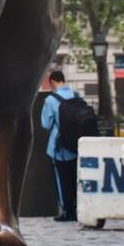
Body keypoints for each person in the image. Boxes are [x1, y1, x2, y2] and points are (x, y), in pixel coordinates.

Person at [40, 68, 79, 221]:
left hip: (59, 145)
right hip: (76, 142)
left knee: (61, 178)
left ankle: (66, 210)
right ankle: (77, 207)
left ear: (53, 82)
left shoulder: (51, 99)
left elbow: (46, 123)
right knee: (76, 177)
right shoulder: (77, 95)